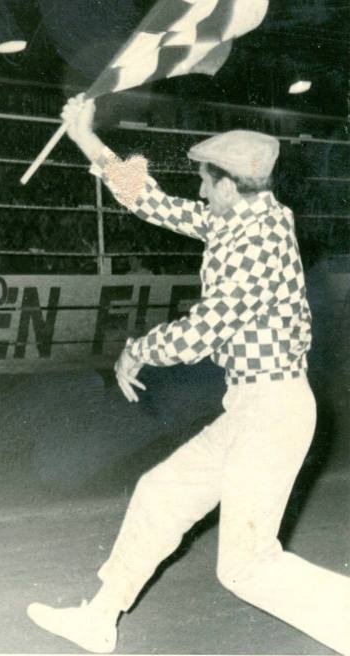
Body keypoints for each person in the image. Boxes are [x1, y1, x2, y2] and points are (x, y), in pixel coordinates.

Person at [25, 94, 350, 654]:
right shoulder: (244, 219)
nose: (198, 191)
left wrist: (139, 350)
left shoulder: (259, 241)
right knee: (160, 493)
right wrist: (86, 140)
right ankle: (99, 618)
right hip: (253, 408)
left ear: (228, 186)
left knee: (246, 567)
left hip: (272, 410)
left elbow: (209, 327)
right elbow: (151, 203)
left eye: (204, 181)